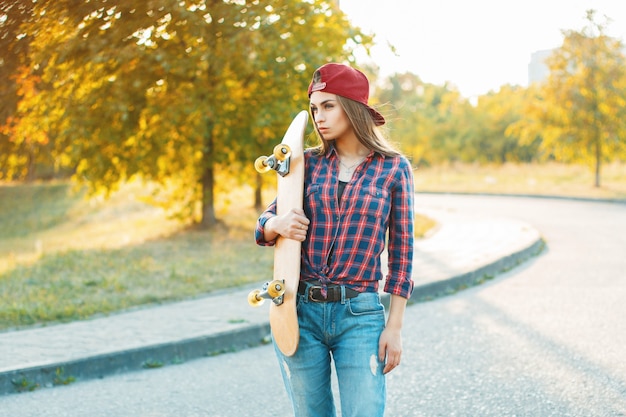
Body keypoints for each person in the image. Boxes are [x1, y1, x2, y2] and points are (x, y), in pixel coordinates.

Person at [255, 62, 414, 417]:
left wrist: (395, 328)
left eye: (328, 105)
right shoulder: (305, 163)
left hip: (360, 314)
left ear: (352, 106)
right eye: (315, 108)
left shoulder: (394, 168)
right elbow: (263, 225)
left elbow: (403, 257)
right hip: (300, 312)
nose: (319, 117)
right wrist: (278, 224)